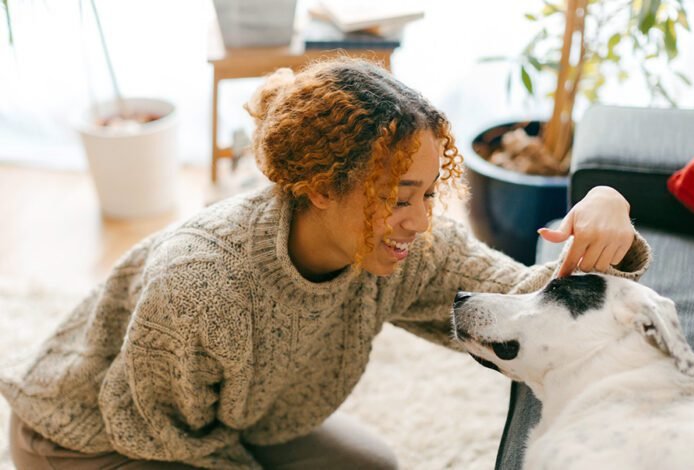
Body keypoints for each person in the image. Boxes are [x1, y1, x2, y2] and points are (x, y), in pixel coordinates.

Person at [1, 57, 650, 469]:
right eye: (399, 199)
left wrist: (611, 222)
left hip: (228, 417)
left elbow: (528, 304)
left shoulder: (403, 249)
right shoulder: (202, 282)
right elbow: (162, 433)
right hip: (91, 438)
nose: (422, 220)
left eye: (428, 194)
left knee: (371, 466)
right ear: (320, 187)